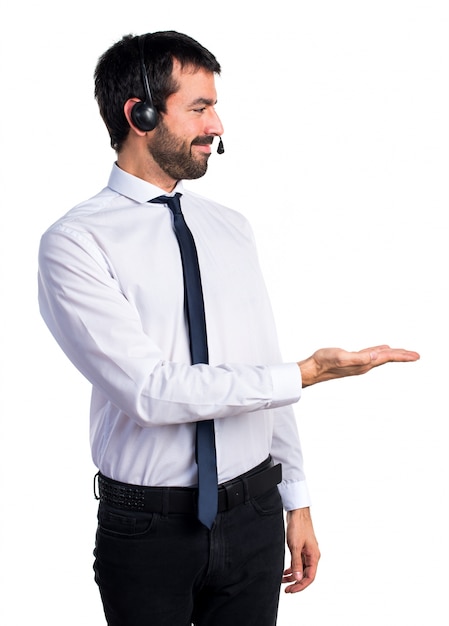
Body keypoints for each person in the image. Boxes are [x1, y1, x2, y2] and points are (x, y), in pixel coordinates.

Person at [37, 31, 419, 626]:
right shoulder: (76, 242)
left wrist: (296, 498)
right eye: (199, 107)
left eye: (214, 105)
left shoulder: (231, 228)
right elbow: (150, 392)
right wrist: (309, 372)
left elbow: (261, 370)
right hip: (149, 530)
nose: (217, 124)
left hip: (255, 515)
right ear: (139, 114)